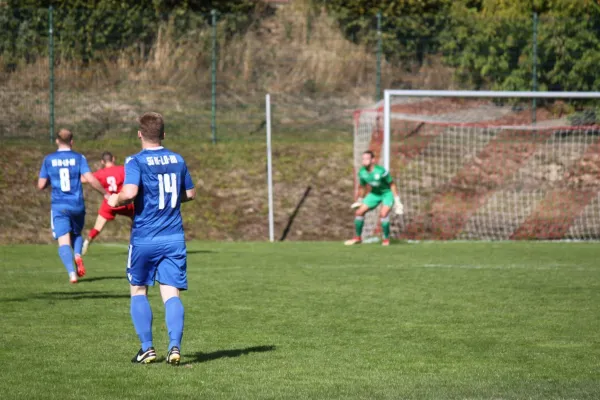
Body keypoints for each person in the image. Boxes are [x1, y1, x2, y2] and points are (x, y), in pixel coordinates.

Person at [108, 112, 196, 365]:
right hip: (174, 237)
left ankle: (147, 348)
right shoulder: (177, 159)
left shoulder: (135, 161)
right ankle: (175, 347)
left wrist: (115, 199)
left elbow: (130, 191)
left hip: (145, 237)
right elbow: (189, 193)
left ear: (139, 134)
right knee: (171, 294)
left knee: (138, 289)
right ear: (164, 134)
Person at [37, 128, 107, 283]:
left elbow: (41, 184)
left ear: (57, 141)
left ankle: (72, 274)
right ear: (72, 141)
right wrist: (106, 193)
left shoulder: (49, 159)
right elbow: (89, 178)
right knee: (76, 234)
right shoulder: (78, 158)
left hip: (59, 205)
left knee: (63, 240)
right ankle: (77, 255)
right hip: (77, 205)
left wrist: (50, 180)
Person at [345, 150, 404, 246]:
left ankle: (386, 239)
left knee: (383, 214)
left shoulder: (381, 171)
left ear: (373, 160)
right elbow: (362, 187)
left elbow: (392, 184)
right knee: (359, 212)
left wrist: (397, 200)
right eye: (363, 159)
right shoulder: (362, 172)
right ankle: (358, 238)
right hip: (374, 194)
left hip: (387, 193)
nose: (364, 161)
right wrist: (360, 200)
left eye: (366, 159)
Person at [81, 151, 134, 255]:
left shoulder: (101, 173)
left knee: (97, 227)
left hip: (109, 203)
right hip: (123, 202)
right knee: (136, 221)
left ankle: (87, 241)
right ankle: (133, 244)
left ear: (102, 162)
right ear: (113, 159)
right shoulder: (122, 169)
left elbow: (84, 179)